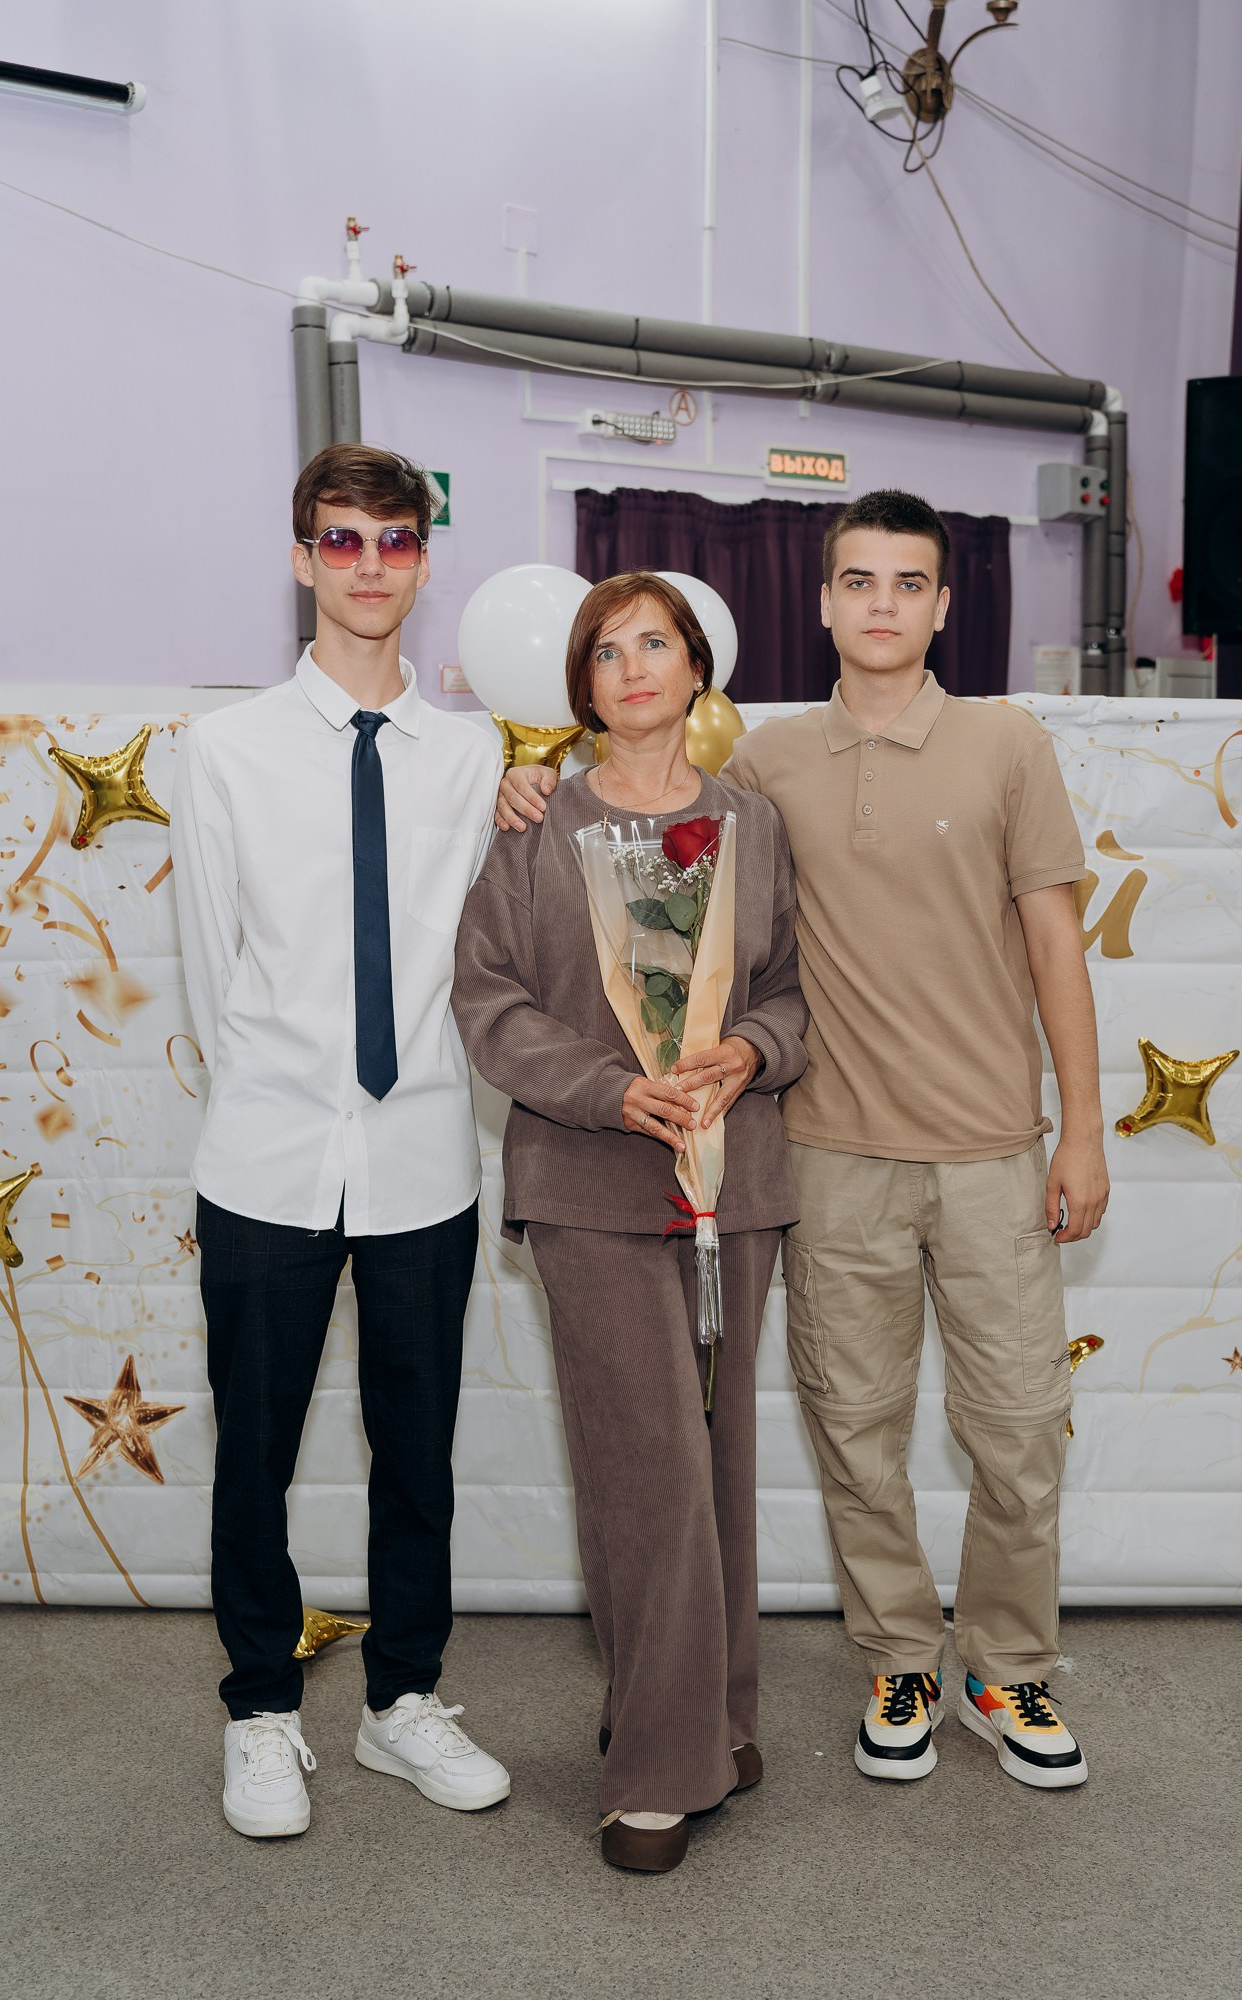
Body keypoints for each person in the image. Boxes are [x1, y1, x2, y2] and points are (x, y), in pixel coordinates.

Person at [495, 491, 1108, 1793]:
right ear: (822, 603)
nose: (882, 603)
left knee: (1018, 1429)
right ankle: (897, 1658)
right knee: (856, 1431)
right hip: (826, 1155)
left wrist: (1083, 1132)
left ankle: (1007, 1666)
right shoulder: (764, 771)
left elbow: (1056, 944)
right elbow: (659, 858)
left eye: (907, 582)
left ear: (943, 604)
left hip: (993, 1149)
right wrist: (527, 778)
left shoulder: (1006, 745)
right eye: (857, 581)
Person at [171, 443, 510, 1840]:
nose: (370, 565)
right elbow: (211, 968)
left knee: (416, 1451)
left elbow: (490, 949)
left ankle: (401, 1701)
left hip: (424, 1153)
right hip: (267, 1154)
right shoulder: (225, 750)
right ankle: (260, 1707)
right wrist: (281, 1090)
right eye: (343, 540)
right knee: (252, 1450)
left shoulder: (478, 756)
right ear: (303, 558)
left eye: (396, 540)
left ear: (424, 561)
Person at [453, 573, 807, 1872]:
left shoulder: (754, 825)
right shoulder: (534, 824)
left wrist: (753, 1051)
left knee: (717, 1461)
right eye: (607, 652)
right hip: (587, 1186)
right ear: (583, 689)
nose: (634, 666)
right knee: (645, 1466)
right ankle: (658, 1769)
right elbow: (486, 1001)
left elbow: (793, 991)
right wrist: (610, 1090)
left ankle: (719, 1715)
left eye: (656, 643)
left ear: (697, 667)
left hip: (735, 1186)